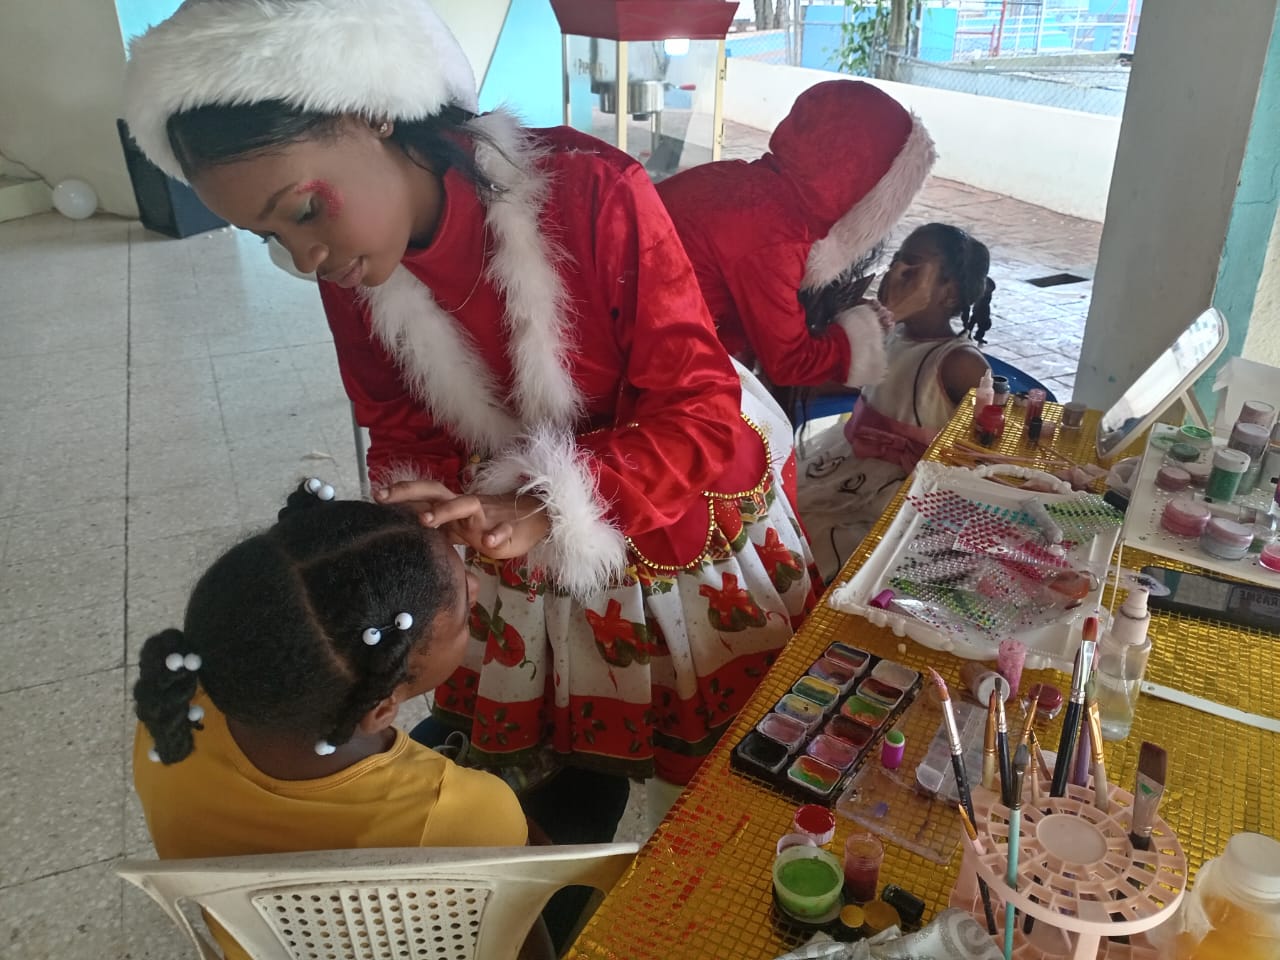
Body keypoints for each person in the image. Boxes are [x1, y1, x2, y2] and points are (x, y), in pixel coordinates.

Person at [125, 0, 817, 828]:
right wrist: (425, 508)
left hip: (673, 506)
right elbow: (401, 424)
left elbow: (699, 413)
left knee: (714, 781)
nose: (305, 259)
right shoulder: (353, 272)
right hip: (509, 536)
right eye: (268, 237)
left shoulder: (594, 194)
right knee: (555, 773)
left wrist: (543, 500)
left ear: (370, 111)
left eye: (305, 210)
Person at [132, 483, 552, 959]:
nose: (475, 586)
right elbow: (513, 937)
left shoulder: (172, 719)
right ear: (382, 708)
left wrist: (387, 549)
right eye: (463, 611)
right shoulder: (460, 810)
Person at [657, 79, 936, 395]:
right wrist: (870, 325)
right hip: (642, 375)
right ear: (864, 184)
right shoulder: (776, 234)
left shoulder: (739, 178)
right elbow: (790, 362)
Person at [797, 223, 994, 581]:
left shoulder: (957, 363)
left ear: (948, 294)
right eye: (896, 260)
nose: (894, 272)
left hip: (901, 489)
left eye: (913, 266)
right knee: (783, 516)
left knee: (829, 553)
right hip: (846, 461)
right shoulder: (887, 331)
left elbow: (988, 438)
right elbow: (825, 375)